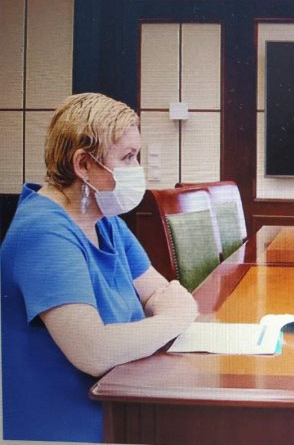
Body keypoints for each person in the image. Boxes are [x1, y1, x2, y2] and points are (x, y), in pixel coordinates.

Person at [1, 93, 198, 442]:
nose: (136, 169)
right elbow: (94, 351)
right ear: (83, 164)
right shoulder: (43, 231)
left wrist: (165, 312)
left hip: (120, 398)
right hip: (69, 426)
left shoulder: (104, 220)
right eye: (127, 157)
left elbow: (157, 291)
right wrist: (175, 319)